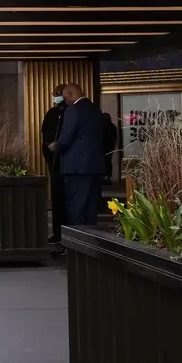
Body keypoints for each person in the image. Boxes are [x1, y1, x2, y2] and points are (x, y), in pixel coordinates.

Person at [48, 84, 104, 227]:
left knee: (75, 208)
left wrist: (55, 146)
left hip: (76, 168)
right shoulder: (95, 109)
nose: (64, 101)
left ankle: (76, 247)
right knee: (91, 209)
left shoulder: (73, 110)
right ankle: (90, 244)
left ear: (70, 93)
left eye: (65, 97)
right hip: (95, 167)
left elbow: (66, 138)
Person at [40, 85, 67, 245]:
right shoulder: (52, 113)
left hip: (67, 162)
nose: (56, 97)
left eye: (58, 94)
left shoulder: (69, 112)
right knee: (57, 199)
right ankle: (58, 232)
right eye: (54, 94)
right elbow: (45, 134)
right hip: (54, 161)